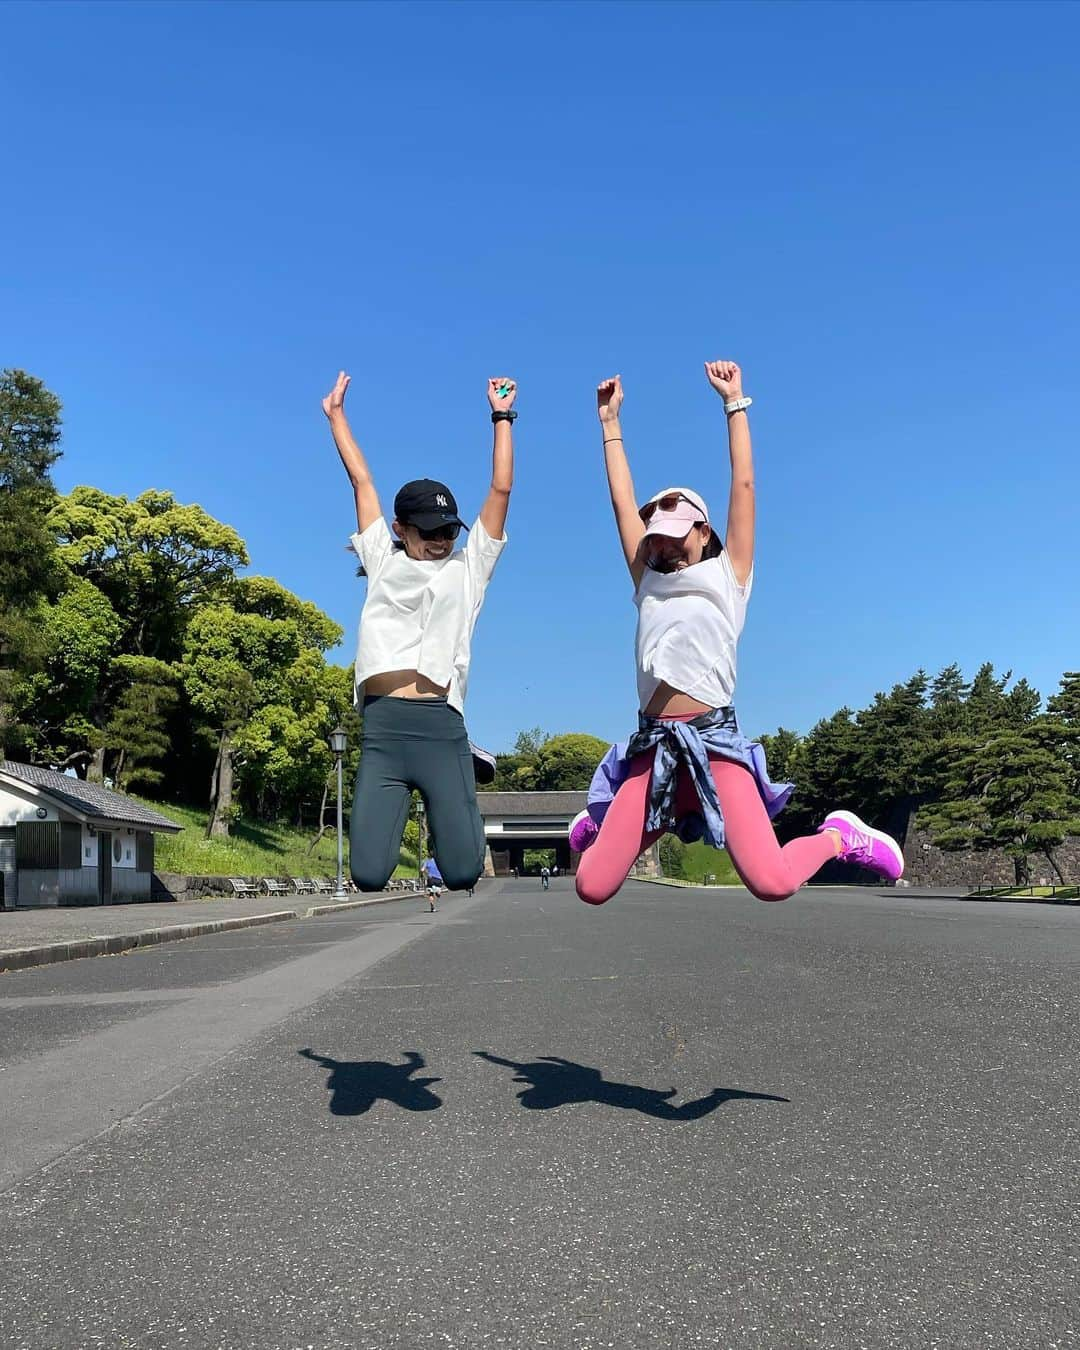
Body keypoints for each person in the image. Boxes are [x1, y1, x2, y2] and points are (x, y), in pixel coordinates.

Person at [572, 360, 904, 907]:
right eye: (656, 539)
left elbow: (744, 483)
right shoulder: (647, 581)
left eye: (676, 536)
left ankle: (839, 836)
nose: (663, 545)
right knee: (592, 884)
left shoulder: (729, 576)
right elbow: (619, 502)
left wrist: (734, 405)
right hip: (654, 746)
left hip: (714, 743)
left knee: (772, 882)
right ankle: (607, 820)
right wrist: (610, 424)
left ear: (704, 532)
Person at [324, 370, 516, 893]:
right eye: (427, 532)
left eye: (448, 531)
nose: (438, 541)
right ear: (400, 530)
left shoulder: (468, 568)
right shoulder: (382, 561)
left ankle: (463, 767)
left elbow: (501, 488)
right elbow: (362, 482)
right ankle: (458, 777)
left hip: (439, 725)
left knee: (460, 872)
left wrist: (501, 416)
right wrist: (336, 415)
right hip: (384, 732)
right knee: (366, 874)